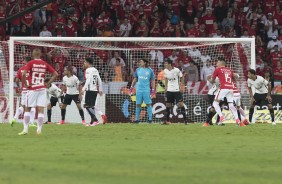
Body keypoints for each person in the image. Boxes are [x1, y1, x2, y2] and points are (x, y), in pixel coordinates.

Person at [18, 49, 58, 135]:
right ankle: (39, 129)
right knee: (40, 110)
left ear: (33, 54)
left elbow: (24, 74)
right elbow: (56, 74)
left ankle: (25, 130)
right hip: (42, 89)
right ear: (40, 54)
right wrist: (48, 83)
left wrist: (25, 83)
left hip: (33, 88)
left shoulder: (31, 63)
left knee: (27, 108)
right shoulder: (44, 63)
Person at [209, 57, 244, 126]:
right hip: (230, 89)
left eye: (217, 62)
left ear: (221, 62)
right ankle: (237, 120)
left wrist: (209, 80)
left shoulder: (217, 70)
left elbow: (212, 81)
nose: (217, 63)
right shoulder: (229, 70)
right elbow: (234, 79)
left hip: (223, 88)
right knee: (231, 105)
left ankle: (221, 117)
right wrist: (237, 75)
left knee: (215, 103)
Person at [10, 56, 36, 127]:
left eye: (23, 60)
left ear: (26, 61)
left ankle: (14, 118)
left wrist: (20, 87)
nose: (22, 62)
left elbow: (17, 80)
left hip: (24, 90)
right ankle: (31, 122)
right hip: (31, 90)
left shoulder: (21, 69)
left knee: (22, 105)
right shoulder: (32, 69)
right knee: (32, 106)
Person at [130, 59, 155, 123]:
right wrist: (131, 87)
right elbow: (135, 79)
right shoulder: (138, 70)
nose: (140, 63)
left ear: (145, 63)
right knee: (138, 104)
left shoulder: (150, 70)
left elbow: (152, 80)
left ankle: (150, 119)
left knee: (148, 104)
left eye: (141, 62)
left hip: (146, 90)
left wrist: (153, 89)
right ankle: (137, 119)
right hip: (139, 90)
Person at [163, 59, 187, 125]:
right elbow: (166, 78)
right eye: (164, 63)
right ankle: (167, 121)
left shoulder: (176, 70)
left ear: (170, 64)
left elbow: (182, 77)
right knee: (168, 105)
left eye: (166, 63)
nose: (165, 65)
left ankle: (185, 121)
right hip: (169, 90)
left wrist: (182, 86)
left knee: (181, 104)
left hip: (177, 90)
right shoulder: (165, 71)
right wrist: (165, 87)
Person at [81, 57, 104, 126]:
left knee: (86, 106)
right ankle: (92, 122)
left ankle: (95, 120)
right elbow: (99, 80)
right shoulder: (95, 70)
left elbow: (88, 80)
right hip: (95, 90)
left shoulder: (88, 70)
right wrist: (100, 90)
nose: (84, 64)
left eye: (85, 62)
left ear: (88, 63)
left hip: (89, 90)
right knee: (91, 106)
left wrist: (83, 89)